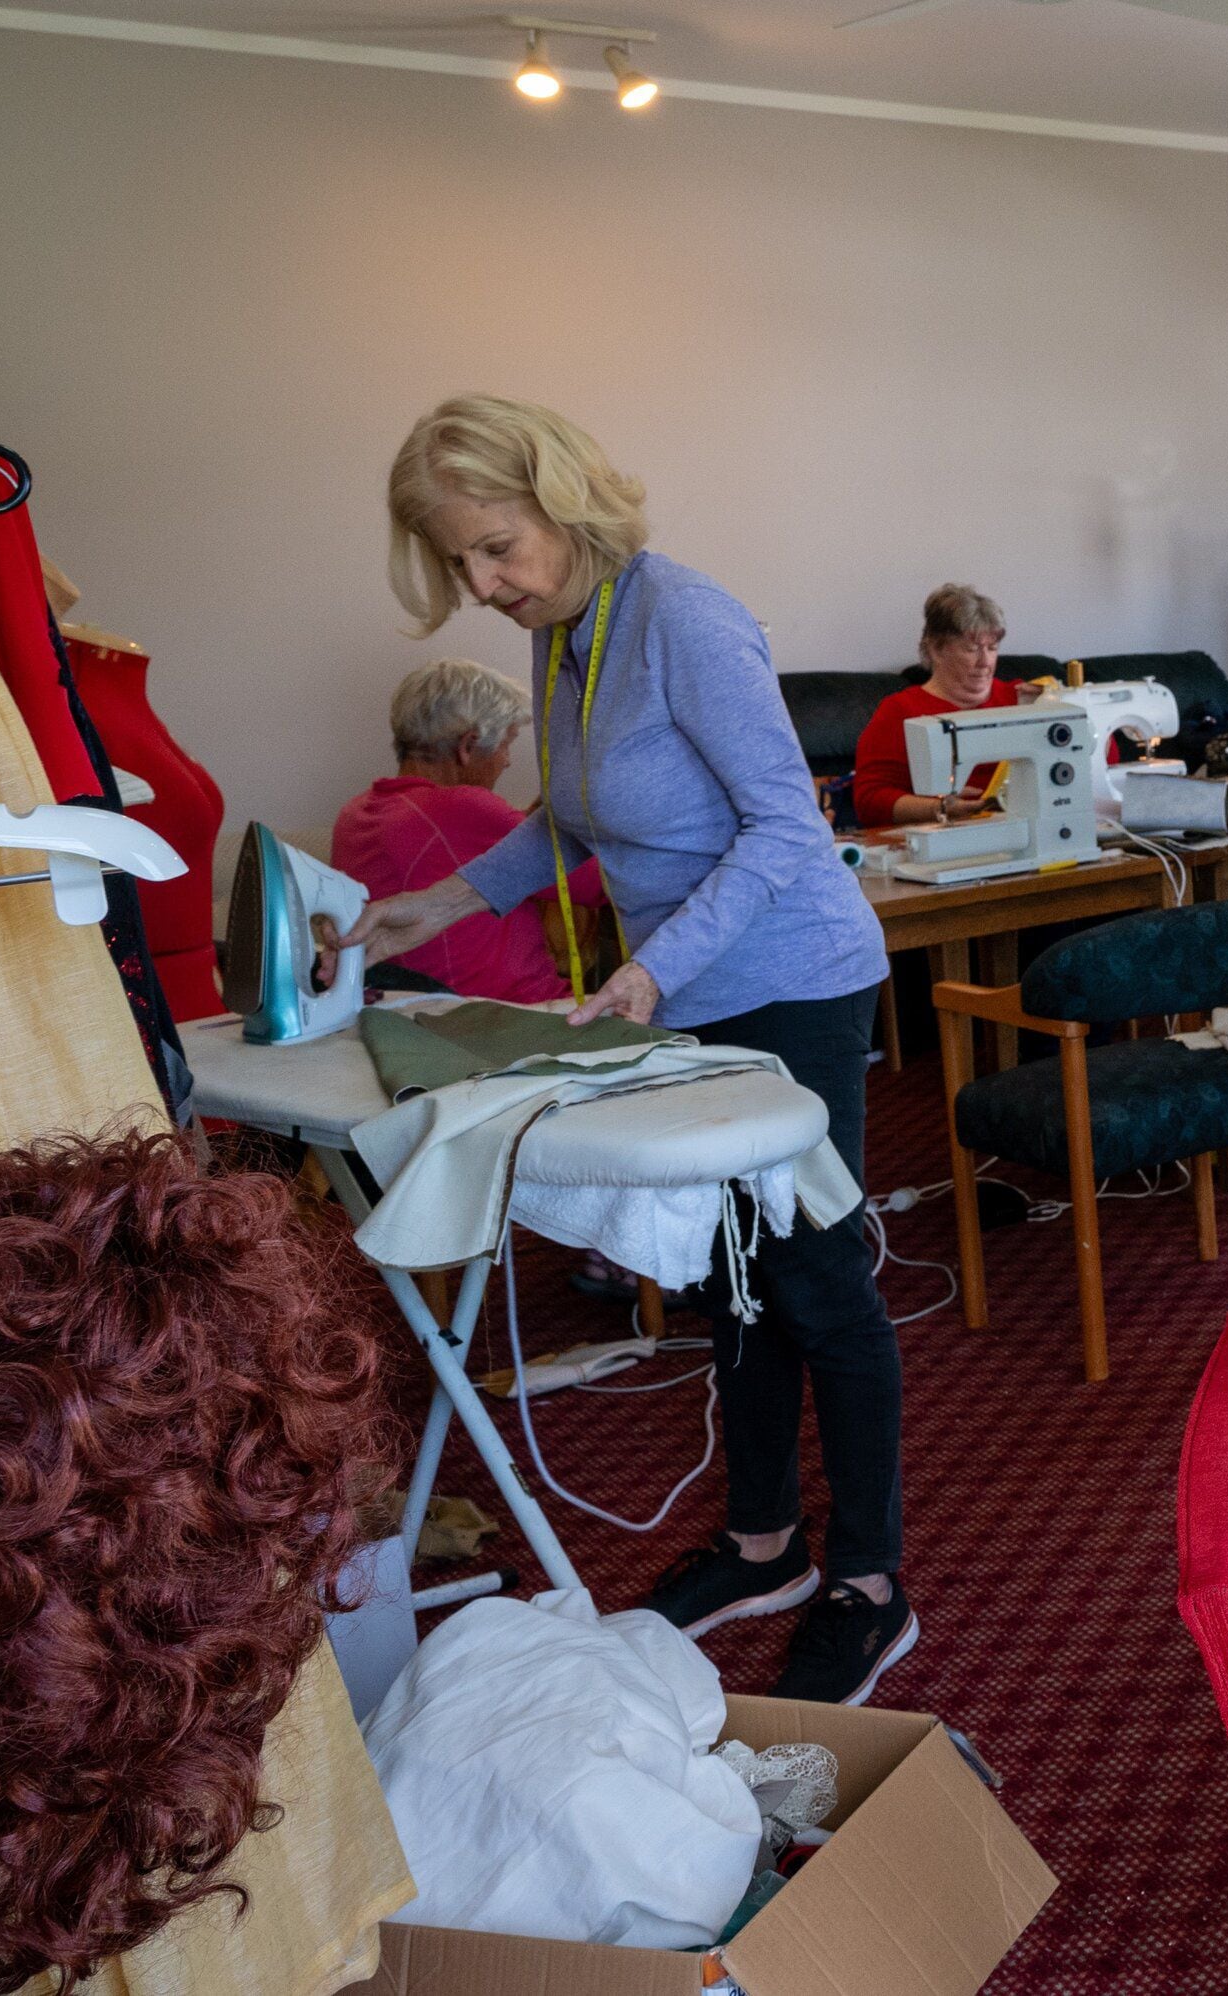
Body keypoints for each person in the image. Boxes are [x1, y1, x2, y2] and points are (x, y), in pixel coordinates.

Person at [345, 394, 910, 1704]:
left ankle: (872, 1578)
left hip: (792, 981)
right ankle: (765, 1541)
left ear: (562, 505)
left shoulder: (686, 620)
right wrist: (445, 900)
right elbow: (578, 817)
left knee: (818, 1278)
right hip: (694, 987)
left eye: (493, 549)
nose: (483, 586)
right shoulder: (567, 634)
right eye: (460, 563)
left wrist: (650, 967)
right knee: (736, 1278)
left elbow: (784, 830)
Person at [331, 657, 603, 1005]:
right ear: (468, 746)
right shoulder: (468, 809)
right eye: (508, 742)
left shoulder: (354, 813)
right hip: (511, 1011)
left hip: (412, 1009)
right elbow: (600, 884)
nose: (507, 760)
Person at [852, 584, 1021, 828]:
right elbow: (869, 802)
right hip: (940, 833)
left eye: (992, 648)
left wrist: (1053, 699)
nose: (985, 662)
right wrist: (938, 808)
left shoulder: (1018, 699)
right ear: (936, 649)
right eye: (971, 649)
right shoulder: (899, 711)